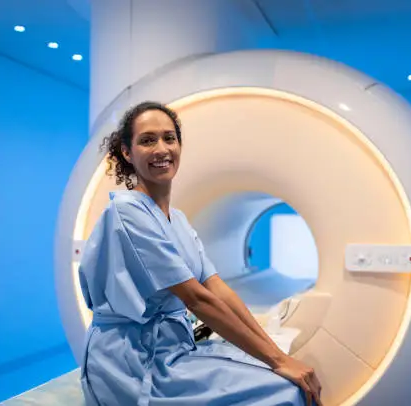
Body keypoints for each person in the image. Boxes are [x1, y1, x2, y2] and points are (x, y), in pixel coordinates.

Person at [78, 101, 323, 406]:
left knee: (281, 378)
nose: (162, 148)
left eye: (170, 138)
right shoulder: (126, 211)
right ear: (127, 153)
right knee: (285, 391)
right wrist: (277, 360)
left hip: (176, 349)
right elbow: (197, 299)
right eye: (147, 140)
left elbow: (217, 288)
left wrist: (278, 355)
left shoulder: (177, 219)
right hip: (135, 363)